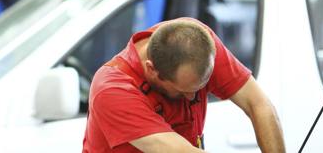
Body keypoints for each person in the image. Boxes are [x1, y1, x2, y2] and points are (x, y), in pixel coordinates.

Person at [82, 17, 284, 153]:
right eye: (183, 91)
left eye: (199, 89)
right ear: (152, 70)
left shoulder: (198, 43)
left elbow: (259, 105)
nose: (192, 98)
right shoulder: (113, 89)